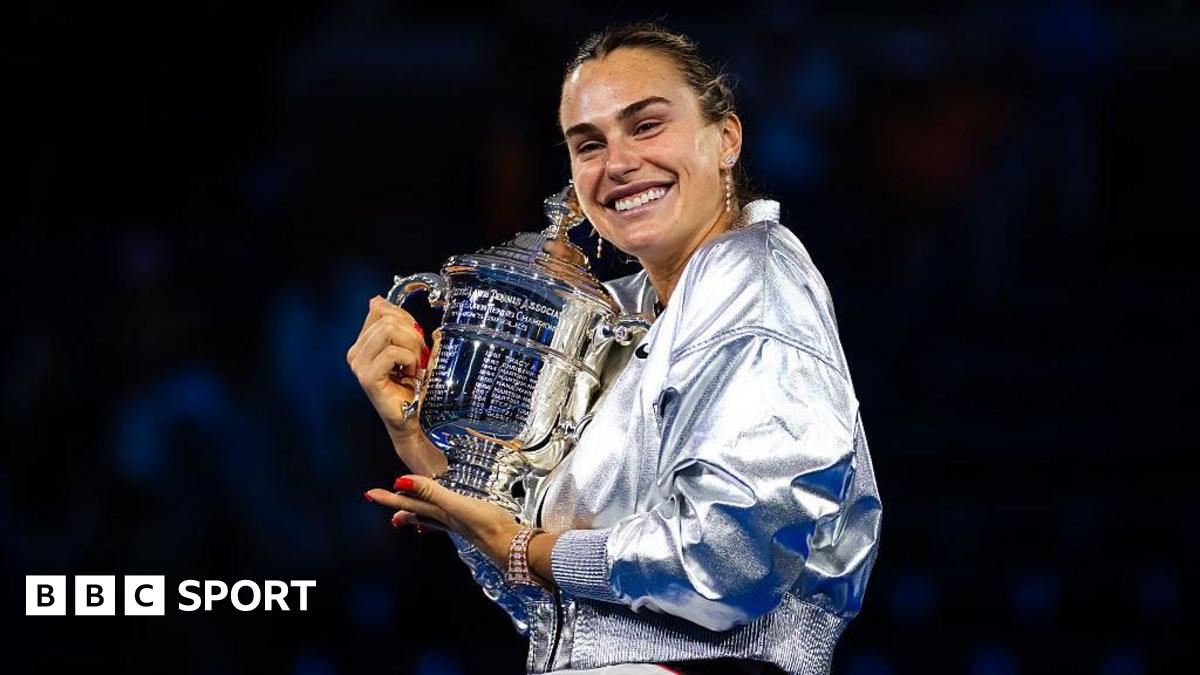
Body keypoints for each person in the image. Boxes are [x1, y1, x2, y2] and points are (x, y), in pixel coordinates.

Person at [350, 23, 882, 675]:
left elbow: (729, 557)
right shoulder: (624, 313)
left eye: (647, 125)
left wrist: (527, 548)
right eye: (589, 144)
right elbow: (558, 613)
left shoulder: (751, 274)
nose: (618, 162)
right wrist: (416, 435)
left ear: (726, 139)